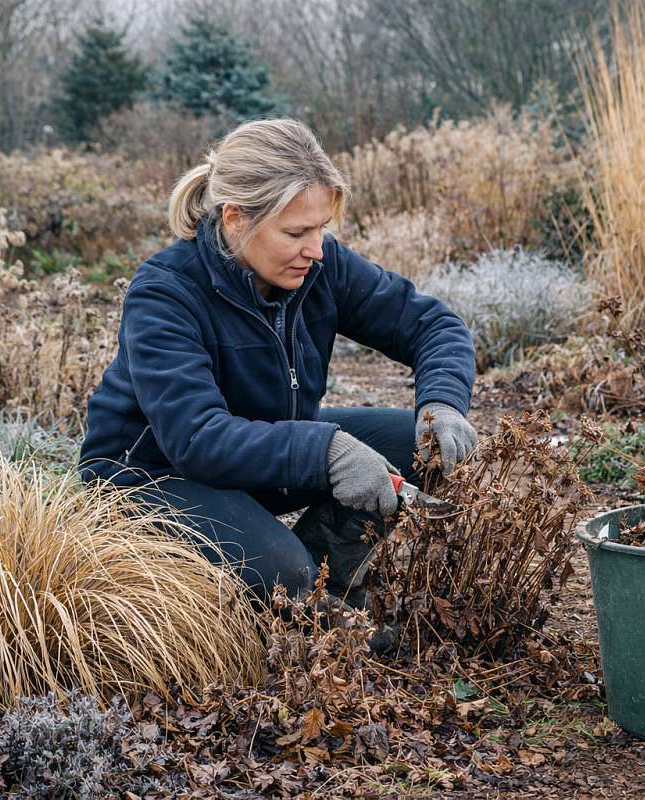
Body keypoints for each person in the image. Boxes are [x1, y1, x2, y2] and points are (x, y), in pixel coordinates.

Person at [78, 118, 477, 608]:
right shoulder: (165, 293)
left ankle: (327, 600)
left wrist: (442, 405)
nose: (314, 249)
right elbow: (197, 438)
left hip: (258, 457)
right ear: (235, 219)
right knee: (285, 572)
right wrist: (325, 451)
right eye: (295, 232)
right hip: (151, 477)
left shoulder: (318, 266)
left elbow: (433, 326)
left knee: (413, 445)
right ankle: (293, 598)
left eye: (321, 228)